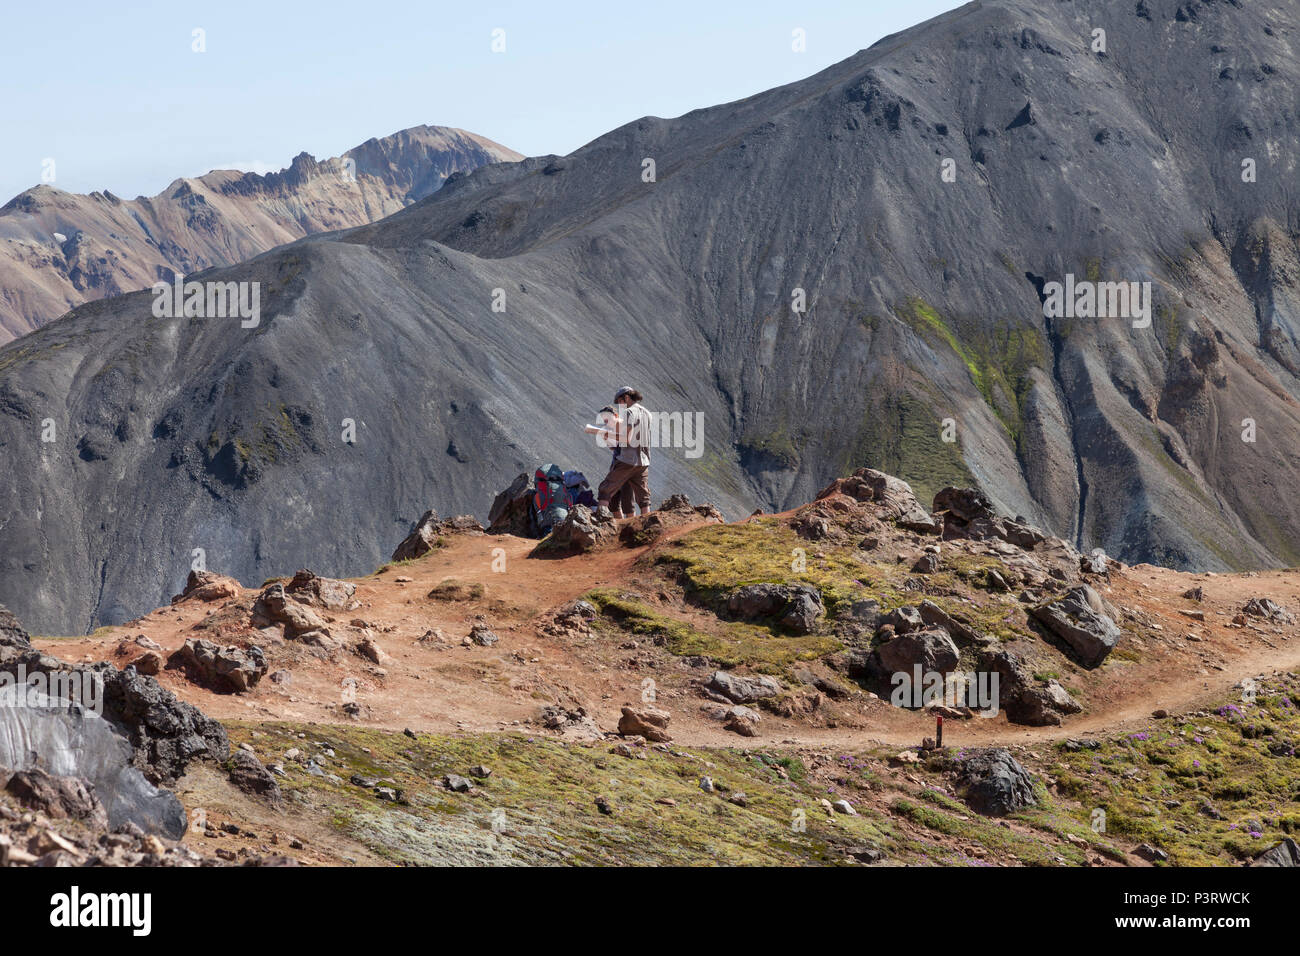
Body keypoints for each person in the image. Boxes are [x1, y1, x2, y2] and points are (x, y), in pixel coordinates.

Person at [597, 387, 652, 516]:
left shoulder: (629, 413)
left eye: (620, 402)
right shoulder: (647, 413)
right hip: (643, 461)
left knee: (605, 490)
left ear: (626, 398)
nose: (620, 406)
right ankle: (647, 526)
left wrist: (605, 434)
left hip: (627, 460)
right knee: (644, 498)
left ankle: (600, 522)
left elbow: (625, 439)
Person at [596, 405, 636, 518]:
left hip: (627, 467)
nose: (606, 422)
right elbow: (615, 448)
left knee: (628, 500)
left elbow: (629, 444)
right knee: (613, 502)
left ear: (616, 415)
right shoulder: (613, 429)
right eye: (604, 420)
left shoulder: (625, 426)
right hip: (616, 465)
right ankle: (619, 526)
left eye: (607, 419)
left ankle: (631, 527)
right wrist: (608, 441)